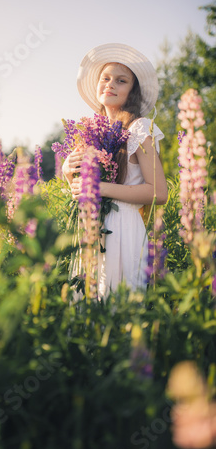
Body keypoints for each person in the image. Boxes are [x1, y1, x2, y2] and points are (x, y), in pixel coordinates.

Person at [62, 43, 168, 299]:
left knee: (116, 306)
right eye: (105, 78)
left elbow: (159, 193)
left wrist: (100, 188)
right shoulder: (89, 131)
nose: (110, 84)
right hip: (90, 227)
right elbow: (80, 191)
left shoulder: (140, 127)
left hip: (123, 228)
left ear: (132, 91)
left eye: (121, 81)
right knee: (88, 305)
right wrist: (68, 172)